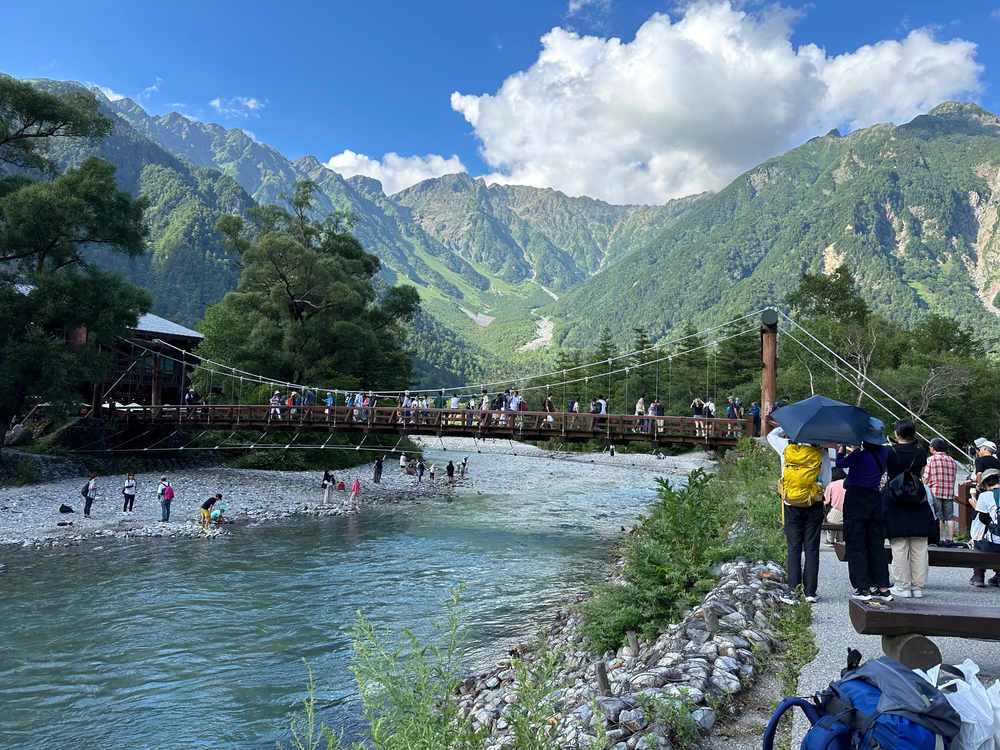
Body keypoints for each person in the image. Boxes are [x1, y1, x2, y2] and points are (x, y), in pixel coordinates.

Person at [766, 424, 830, 603]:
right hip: (813, 504)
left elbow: (771, 435)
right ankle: (810, 593)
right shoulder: (822, 454)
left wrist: (785, 425)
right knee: (811, 549)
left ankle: (793, 592)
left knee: (793, 549)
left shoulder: (786, 448)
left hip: (790, 504)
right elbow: (826, 481)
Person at [837, 418, 892, 602]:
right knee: (876, 544)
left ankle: (863, 587)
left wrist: (842, 448)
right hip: (875, 499)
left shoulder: (858, 455)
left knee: (856, 543)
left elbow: (839, 464)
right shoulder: (884, 452)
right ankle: (883, 587)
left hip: (856, 499)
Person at [883, 418, 930, 599]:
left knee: (899, 544)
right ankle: (918, 587)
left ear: (896, 433)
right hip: (917, 500)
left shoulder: (889, 451)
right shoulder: (920, 451)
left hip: (895, 500)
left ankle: (903, 585)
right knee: (919, 545)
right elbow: (921, 474)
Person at [923, 438, 958, 545]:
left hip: (935, 491)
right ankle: (951, 539)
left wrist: (922, 485)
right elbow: (953, 477)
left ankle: (940, 538)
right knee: (949, 516)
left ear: (932, 448)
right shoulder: (952, 460)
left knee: (938, 516)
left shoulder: (930, 460)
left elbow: (926, 477)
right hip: (948, 491)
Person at [970, 468, 1000, 587]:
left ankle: (979, 575)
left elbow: (983, 520)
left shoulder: (985, 495)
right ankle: (998, 576)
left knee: (978, 542)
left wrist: (976, 506)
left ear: (985, 483)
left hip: (995, 543)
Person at [824, 469, 846, 545]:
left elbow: (825, 501)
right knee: (841, 541)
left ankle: (830, 540)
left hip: (834, 515)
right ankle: (840, 540)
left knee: (831, 523)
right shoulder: (848, 484)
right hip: (847, 515)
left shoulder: (831, 485)